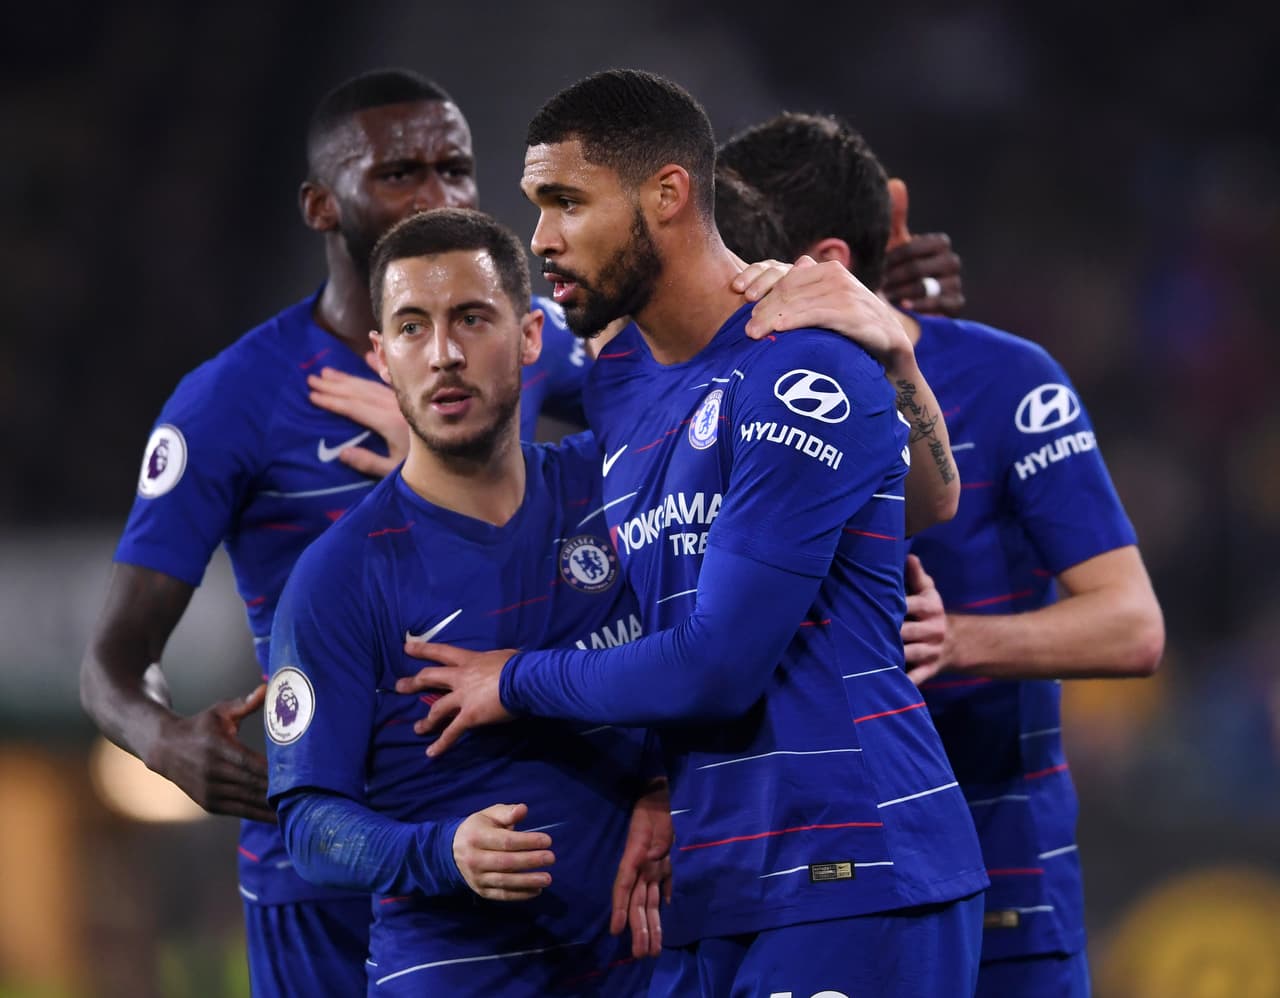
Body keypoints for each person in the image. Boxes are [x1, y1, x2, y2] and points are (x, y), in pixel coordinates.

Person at [396, 70, 989, 997]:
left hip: (851, 872)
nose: (542, 238)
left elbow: (717, 664)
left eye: (566, 203)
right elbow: (469, 342)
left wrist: (508, 677)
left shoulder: (798, 364)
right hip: (725, 883)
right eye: (535, 207)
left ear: (667, 195)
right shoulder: (618, 372)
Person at [78, 68, 588, 997]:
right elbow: (111, 662)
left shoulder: (521, 334)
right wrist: (163, 742)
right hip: (317, 857)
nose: (437, 196)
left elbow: (678, 420)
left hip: (493, 834)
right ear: (321, 205)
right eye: (400, 174)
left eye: (456, 169)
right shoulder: (232, 402)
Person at [714, 110, 1165, 997]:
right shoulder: (716, 391)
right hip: (815, 873)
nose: (722, 282)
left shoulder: (1005, 381)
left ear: (827, 265)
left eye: (740, 258)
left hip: (1007, 877)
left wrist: (957, 640)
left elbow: (1133, 626)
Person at [266, 207, 665, 995]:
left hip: (646, 969)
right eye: (413, 328)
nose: (444, 354)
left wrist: (669, 788)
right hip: (458, 975)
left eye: (471, 319)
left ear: (528, 338)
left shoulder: (617, 488)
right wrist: (442, 853)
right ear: (382, 357)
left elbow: (719, 658)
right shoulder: (338, 577)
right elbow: (310, 826)